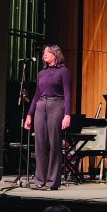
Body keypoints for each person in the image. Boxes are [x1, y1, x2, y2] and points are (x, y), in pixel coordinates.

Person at [24, 45, 71, 191]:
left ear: (56, 54)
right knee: (39, 144)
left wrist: (67, 114)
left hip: (57, 105)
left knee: (54, 143)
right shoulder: (41, 73)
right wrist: (29, 115)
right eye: (44, 52)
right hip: (40, 106)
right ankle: (40, 180)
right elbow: (37, 95)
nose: (44, 54)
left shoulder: (63, 71)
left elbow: (68, 94)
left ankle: (52, 181)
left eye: (47, 52)